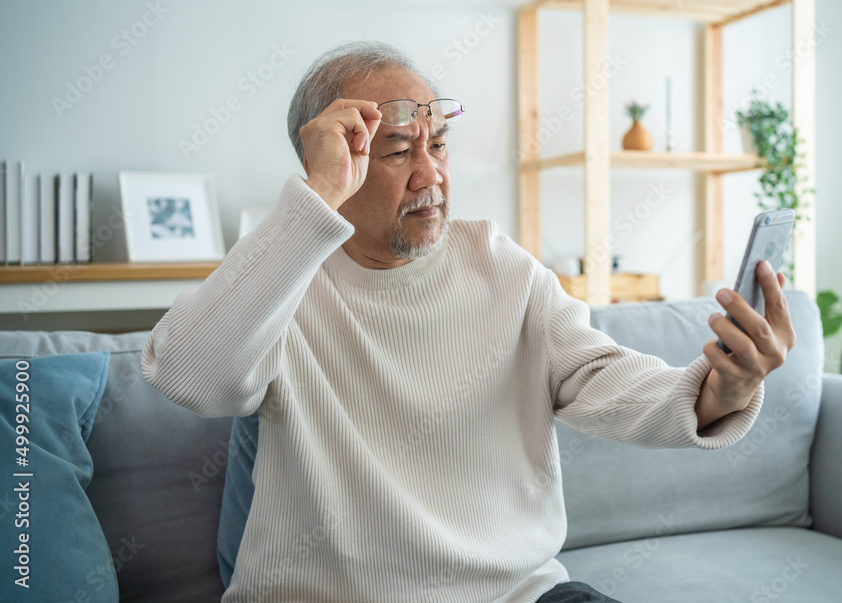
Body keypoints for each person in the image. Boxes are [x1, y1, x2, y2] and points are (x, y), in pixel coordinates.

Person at [142, 41, 795, 602]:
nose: (431, 174)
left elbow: (605, 376)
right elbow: (189, 375)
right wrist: (312, 201)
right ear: (331, 165)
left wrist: (721, 387)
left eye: (440, 144)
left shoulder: (499, 266)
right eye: (397, 149)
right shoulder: (281, 277)